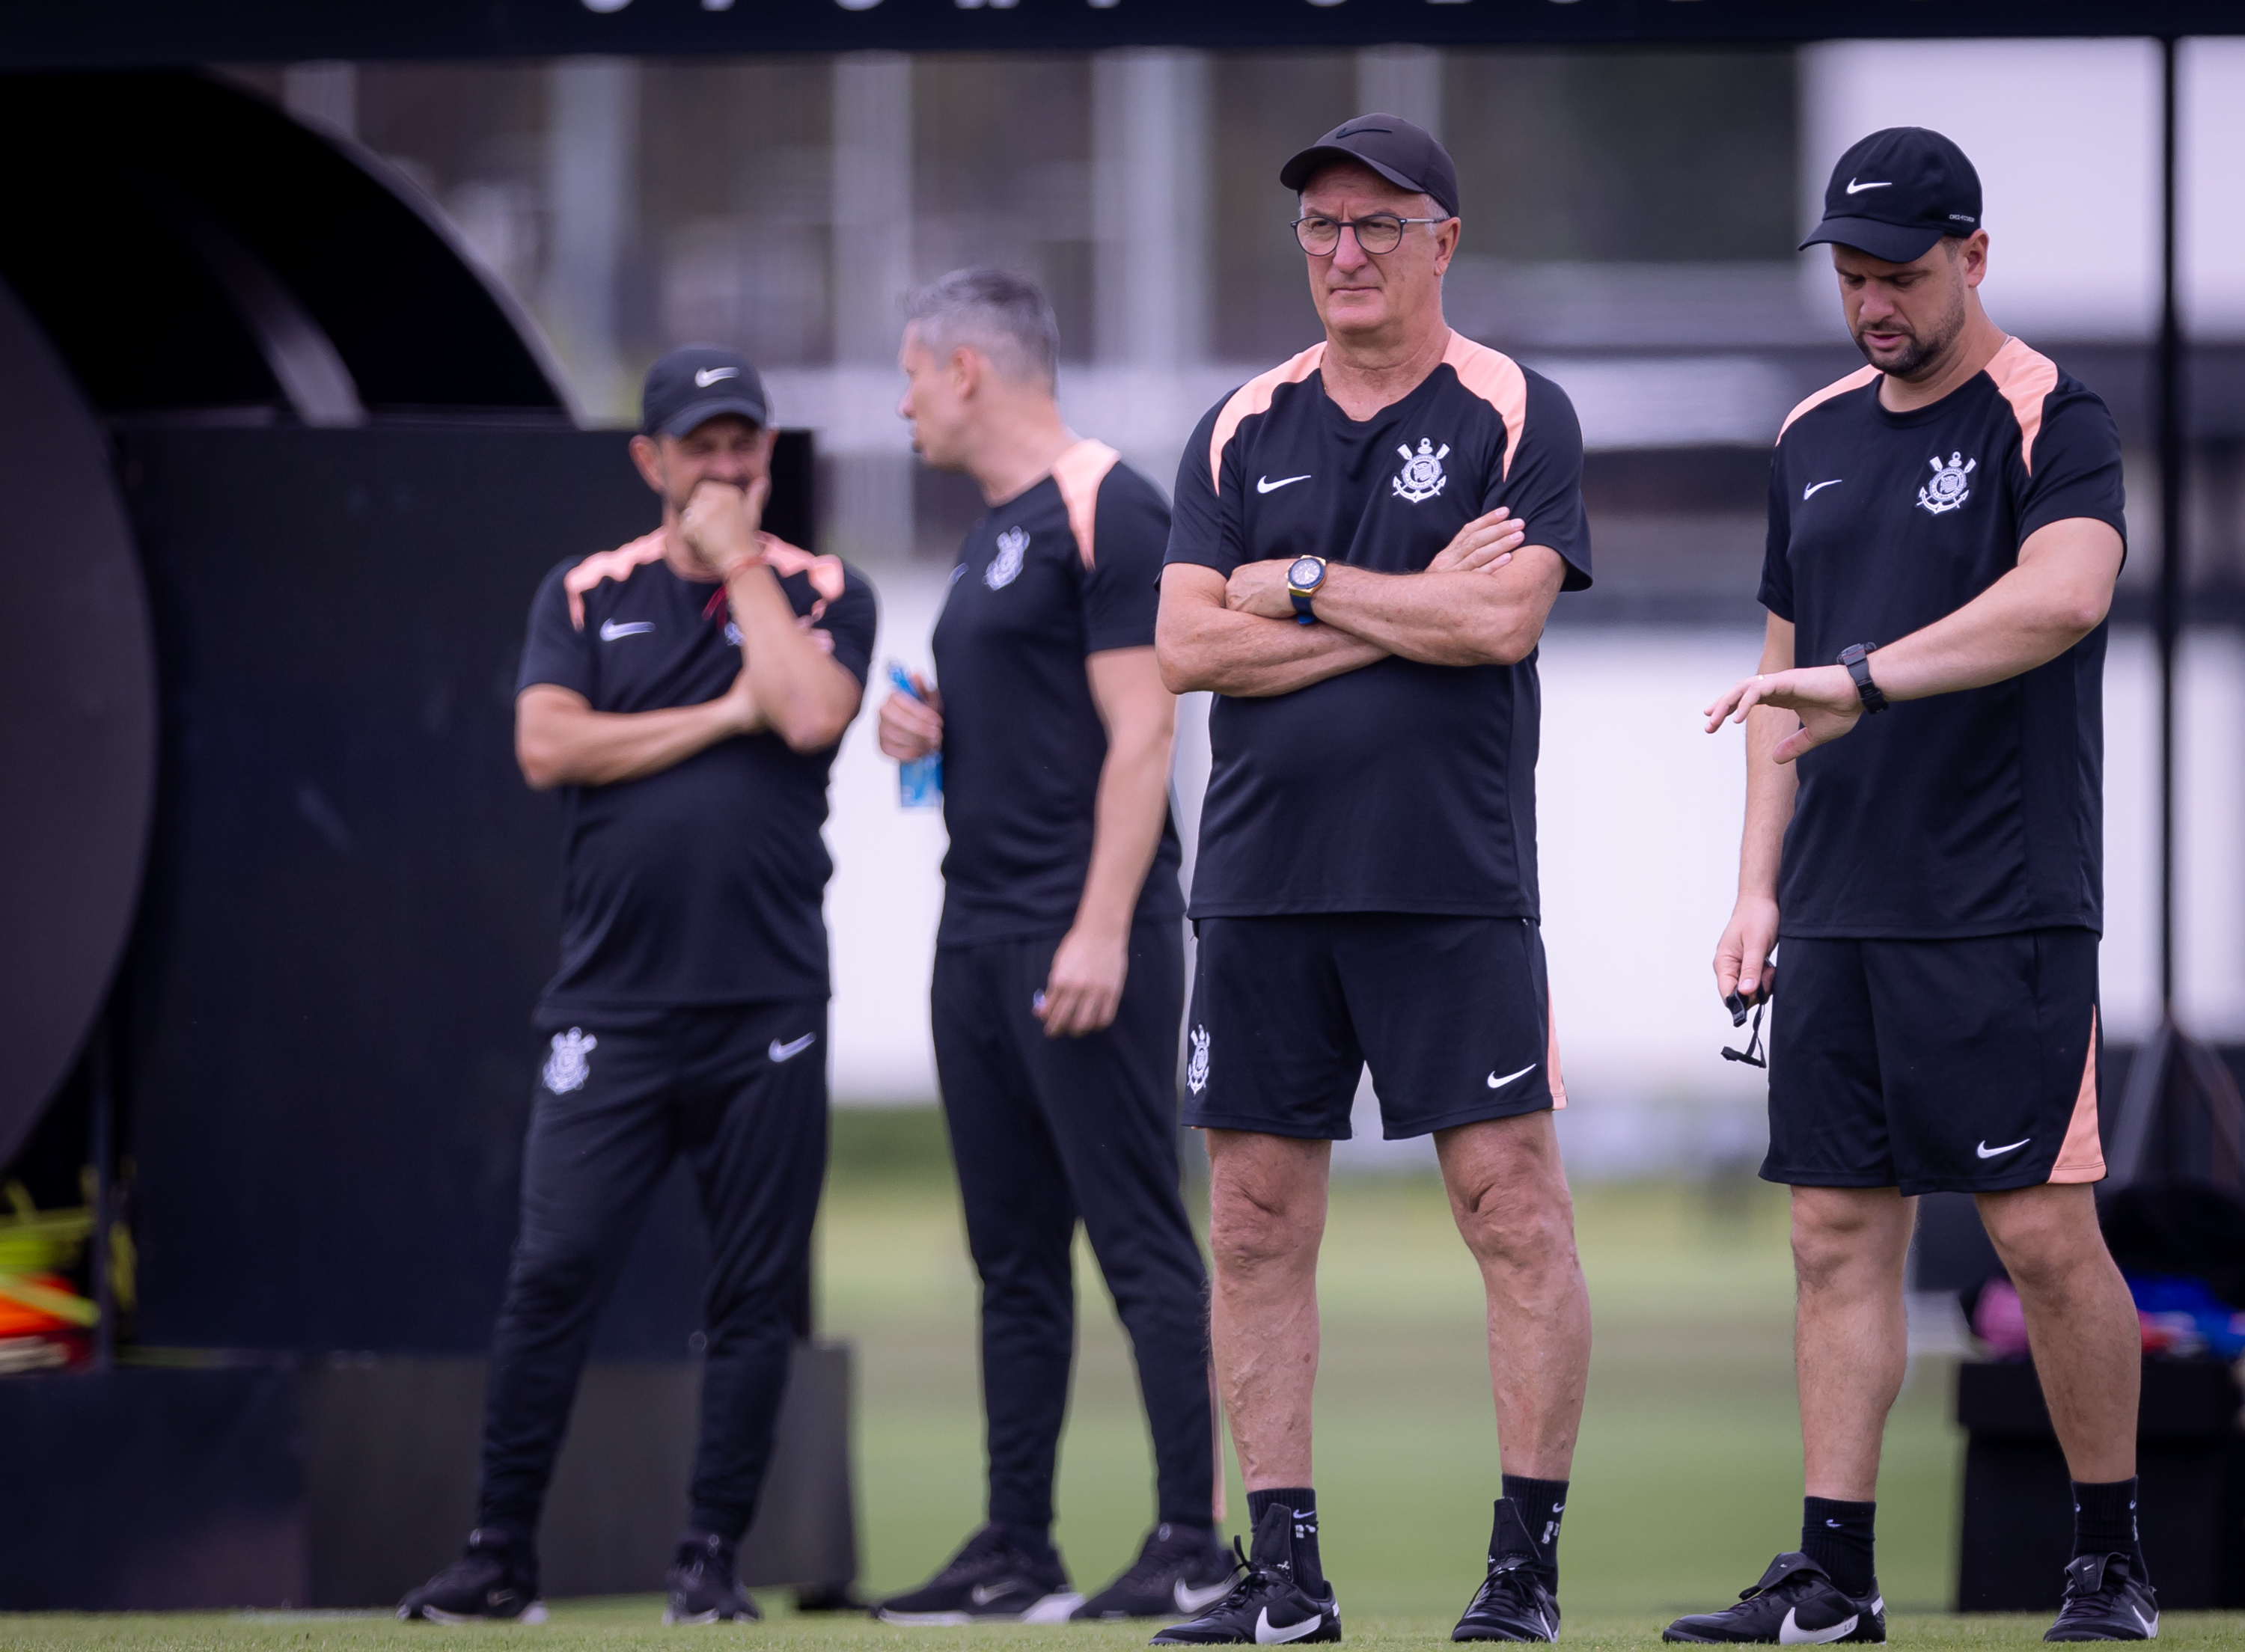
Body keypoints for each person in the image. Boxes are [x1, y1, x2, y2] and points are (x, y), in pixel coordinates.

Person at [1673, 128, 2145, 1645]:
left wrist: (1869, 681)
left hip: (2002, 901)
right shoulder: (1809, 435)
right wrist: (1756, 892)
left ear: (1976, 259)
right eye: (1856, 279)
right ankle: (1834, 1578)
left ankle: (2110, 1563)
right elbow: (1776, 688)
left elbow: (2064, 597)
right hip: (1836, 909)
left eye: (1904, 276)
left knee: (2039, 1232)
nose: (1876, 305)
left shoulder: (2052, 415)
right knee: (1833, 1237)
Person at [1151, 115, 1592, 1646]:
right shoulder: (1236, 424)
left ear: (1442, 243)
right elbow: (1185, 647)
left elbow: (1503, 628)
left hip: (1450, 881)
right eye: (1322, 229)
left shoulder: (1515, 411)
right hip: (1264, 887)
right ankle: (1285, 1582)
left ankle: (1522, 1579)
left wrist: (1306, 582)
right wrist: (1395, 602)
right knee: (1257, 1224)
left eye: (1377, 228)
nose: (1343, 254)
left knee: (1513, 1210)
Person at [397, 346, 877, 1627]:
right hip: (610, 1007)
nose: (726, 468)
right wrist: (718, 720)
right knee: (553, 1269)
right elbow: (548, 743)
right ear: (650, 461)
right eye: (703, 447)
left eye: (746, 446)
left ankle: (709, 1560)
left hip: (767, 1000)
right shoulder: (585, 589)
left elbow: (810, 713)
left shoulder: (825, 588)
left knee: (752, 1293)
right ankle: (499, 1552)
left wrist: (738, 573)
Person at [871, 269, 1231, 1625]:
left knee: (1139, 1237)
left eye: (910, 373)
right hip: (976, 937)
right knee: (1010, 1256)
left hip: (1084, 935)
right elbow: (1033, 722)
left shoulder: (1109, 505)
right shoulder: (989, 534)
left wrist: (1097, 925)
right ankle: (1016, 1544)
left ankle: (1192, 1539)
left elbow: (1146, 732)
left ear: (969, 368)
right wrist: (927, 733)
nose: (900, 399)